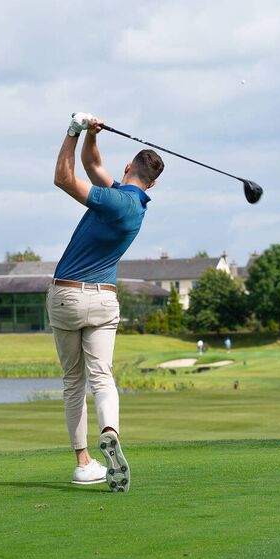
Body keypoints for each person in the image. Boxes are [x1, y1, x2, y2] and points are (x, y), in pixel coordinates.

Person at [49, 111, 164, 492]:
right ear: (152, 183)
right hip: (104, 301)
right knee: (103, 378)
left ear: (129, 166)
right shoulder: (134, 204)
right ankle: (110, 431)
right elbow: (92, 163)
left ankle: (84, 462)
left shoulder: (114, 202)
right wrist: (91, 135)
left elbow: (63, 178)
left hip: (67, 295)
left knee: (73, 382)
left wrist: (71, 130)